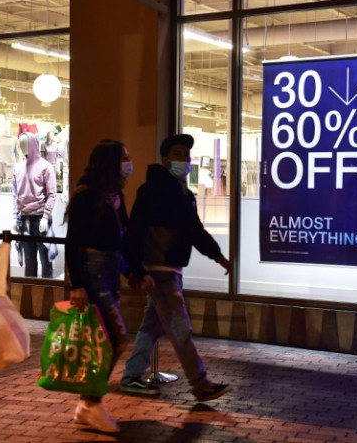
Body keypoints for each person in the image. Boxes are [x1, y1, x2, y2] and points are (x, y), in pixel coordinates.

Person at [120, 133, 232, 402]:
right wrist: (137, 269)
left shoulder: (184, 194)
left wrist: (217, 256)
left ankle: (131, 376)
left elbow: (195, 231)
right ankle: (201, 384)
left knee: (152, 326)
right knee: (180, 327)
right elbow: (134, 231)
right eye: (178, 154)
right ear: (165, 158)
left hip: (170, 270)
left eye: (187, 155)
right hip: (160, 271)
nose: (185, 159)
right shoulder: (153, 190)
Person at [64, 139, 133, 433]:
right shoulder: (86, 196)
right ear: (108, 162)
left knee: (103, 342)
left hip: (111, 268)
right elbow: (72, 243)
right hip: (93, 272)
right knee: (116, 339)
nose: (128, 164)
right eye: (123, 158)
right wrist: (77, 285)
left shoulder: (114, 195)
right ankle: (91, 404)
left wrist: (131, 269)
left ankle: (87, 404)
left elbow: (122, 236)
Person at [13, 132, 56, 278]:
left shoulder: (46, 167)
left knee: (46, 261)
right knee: (29, 262)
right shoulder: (17, 168)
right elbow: (15, 195)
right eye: (21, 143)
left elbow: (52, 194)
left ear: (33, 144)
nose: (22, 146)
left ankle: (47, 298)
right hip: (24, 219)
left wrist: (45, 216)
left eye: (25, 143)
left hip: (40, 216)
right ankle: (29, 299)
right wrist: (15, 217)